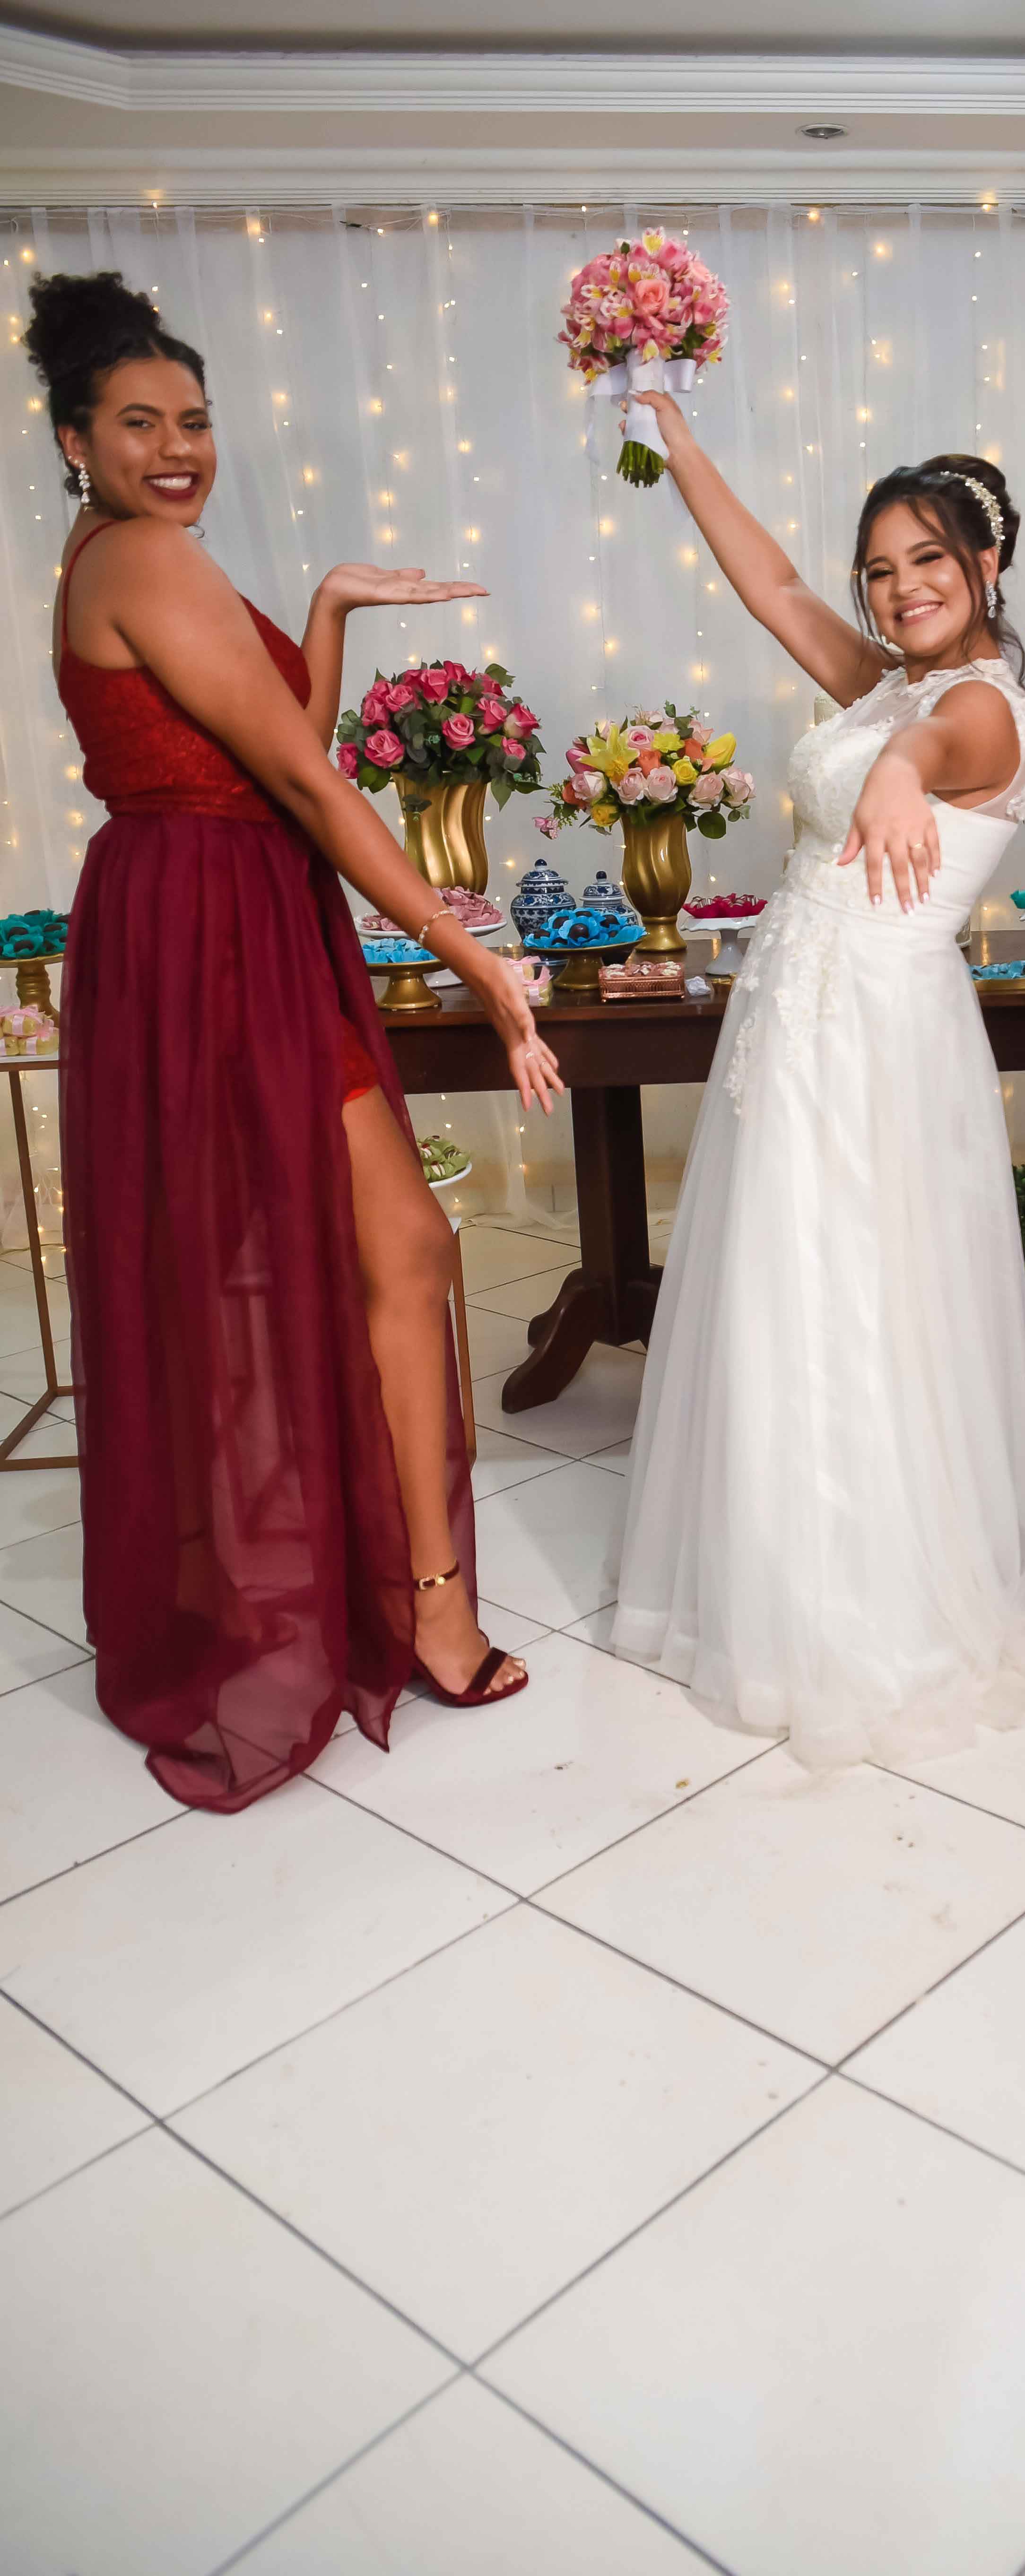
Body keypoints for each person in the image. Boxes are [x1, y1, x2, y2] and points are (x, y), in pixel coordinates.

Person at [28, 269, 564, 1812]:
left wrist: (321, 610)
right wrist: (472, 956)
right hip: (213, 929)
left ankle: (401, 1590)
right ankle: (395, 1606)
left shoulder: (135, 558)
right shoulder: (143, 555)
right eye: (140, 423)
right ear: (76, 441)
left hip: (218, 912)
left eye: (195, 419)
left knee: (375, 1250)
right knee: (354, 1252)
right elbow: (313, 790)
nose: (178, 448)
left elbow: (281, 749)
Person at [612, 393, 1025, 1766]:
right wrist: (677, 436)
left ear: (986, 564)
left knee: (855, 1293)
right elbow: (771, 585)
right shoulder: (888, 681)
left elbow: (939, 750)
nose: (901, 587)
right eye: (880, 568)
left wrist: (898, 773)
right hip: (798, 1022)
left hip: (869, 1033)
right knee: (779, 1285)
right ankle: (774, 1572)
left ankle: (862, 1610)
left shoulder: (977, 708)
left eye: (928, 560)